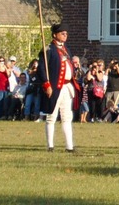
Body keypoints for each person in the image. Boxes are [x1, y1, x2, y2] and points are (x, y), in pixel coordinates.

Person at [40, 23, 77, 153]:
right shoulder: (48, 50)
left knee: (67, 116)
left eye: (66, 33)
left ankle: (69, 146)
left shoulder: (66, 49)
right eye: (62, 33)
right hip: (54, 87)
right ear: (55, 35)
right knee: (51, 116)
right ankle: (50, 145)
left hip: (67, 87)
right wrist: (46, 85)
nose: (65, 35)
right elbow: (42, 69)